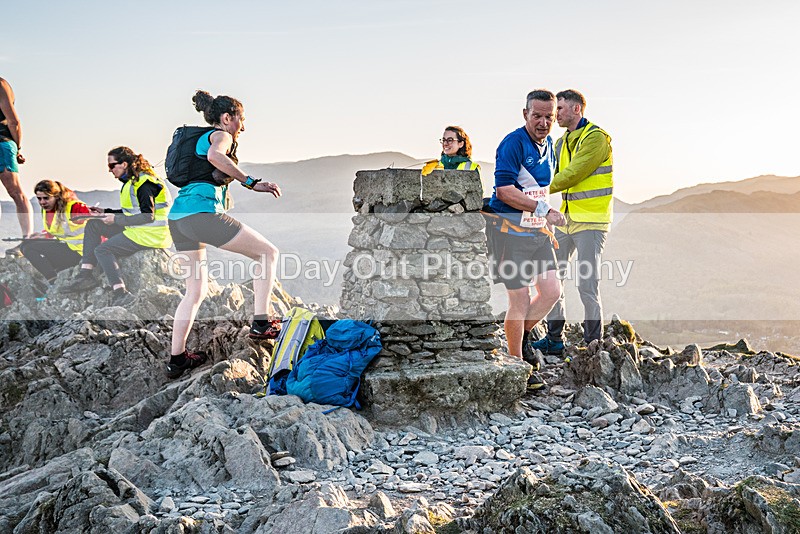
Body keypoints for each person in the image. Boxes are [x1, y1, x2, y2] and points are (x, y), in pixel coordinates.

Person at [165, 90, 282, 380]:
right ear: (227, 118)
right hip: (201, 215)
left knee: (195, 290)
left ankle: (177, 359)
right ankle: (261, 323)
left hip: (178, 218)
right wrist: (251, 182)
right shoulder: (221, 135)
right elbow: (216, 156)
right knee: (268, 253)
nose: (243, 126)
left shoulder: (198, 138)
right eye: (241, 120)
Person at [488, 89, 566, 390]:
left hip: (538, 233)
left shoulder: (550, 148)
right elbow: (504, 191)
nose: (544, 122)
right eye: (537, 116)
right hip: (510, 234)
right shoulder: (513, 143)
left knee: (551, 291)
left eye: (549, 116)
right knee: (519, 300)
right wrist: (544, 210)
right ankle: (519, 365)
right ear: (525, 114)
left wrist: (545, 217)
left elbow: (539, 189)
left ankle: (514, 339)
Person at [531, 89, 613, 355]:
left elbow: (573, 174)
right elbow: (549, 171)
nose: (555, 116)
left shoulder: (596, 138)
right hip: (566, 221)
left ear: (577, 109)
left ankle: (593, 344)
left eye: (560, 110)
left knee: (586, 284)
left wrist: (532, 193)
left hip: (592, 222)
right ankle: (555, 339)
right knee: (553, 280)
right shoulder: (560, 143)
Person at [62, 147, 172, 306]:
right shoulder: (133, 182)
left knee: (103, 250)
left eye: (112, 166)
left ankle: (121, 292)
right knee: (94, 224)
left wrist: (116, 220)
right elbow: (133, 211)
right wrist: (105, 212)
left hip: (150, 234)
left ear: (125, 164)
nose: (110, 170)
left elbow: (148, 215)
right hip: (139, 229)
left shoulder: (144, 183)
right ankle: (85, 275)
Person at [20, 180, 90, 289]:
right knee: (26, 245)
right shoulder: (46, 210)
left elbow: (96, 225)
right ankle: (54, 278)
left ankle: (53, 282)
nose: (42, 202)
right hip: (68, 247)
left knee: (30, 248)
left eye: (46, 198)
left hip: (81, 252)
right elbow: (59, 229)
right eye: (39, 198)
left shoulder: (74, 207)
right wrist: (44, 236)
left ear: (56, 196)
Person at [0, 77, 32, 256]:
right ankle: (26, 240)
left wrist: (17, 148)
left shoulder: (1, 85)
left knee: (15, 192)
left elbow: (14, 121)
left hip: (2, 142)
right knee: (15, 192)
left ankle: (27, 240)